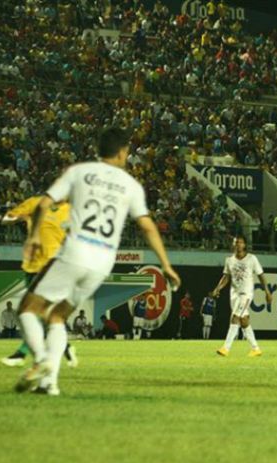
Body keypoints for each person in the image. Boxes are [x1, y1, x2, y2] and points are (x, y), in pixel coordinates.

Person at [13, 127, 181, 396]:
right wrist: (166, 264)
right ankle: (49, 385)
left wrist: (33, 237)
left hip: (75, 252)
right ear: (123, 151)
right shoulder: (131, 185)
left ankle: (43, 360)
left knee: (27, 309)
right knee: (58, 316)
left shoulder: (79, 172)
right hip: (103, 261)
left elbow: (43, 204)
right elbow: (148, 226)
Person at [0, 195, 78, 368]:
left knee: (31, 311)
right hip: (31, 264)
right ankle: (66, 347)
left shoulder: (72, 211)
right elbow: (6, 219)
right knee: (44, 314)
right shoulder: (35, 203)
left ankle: (21, 354)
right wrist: (17, 218)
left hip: (53, 265)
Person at [212, 234, 272, 357]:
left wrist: (267, 291)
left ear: (244, 244)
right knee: (244, 321)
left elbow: (261, 275)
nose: (237, 244)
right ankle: (256, 348)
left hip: (246, 293)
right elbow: (226, 276)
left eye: (240, 242)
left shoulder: (251, 259)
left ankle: (226, 348)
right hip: (234, 294)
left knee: (234, 317)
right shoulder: (229, 260)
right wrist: (217, 288)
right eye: (235, 242)